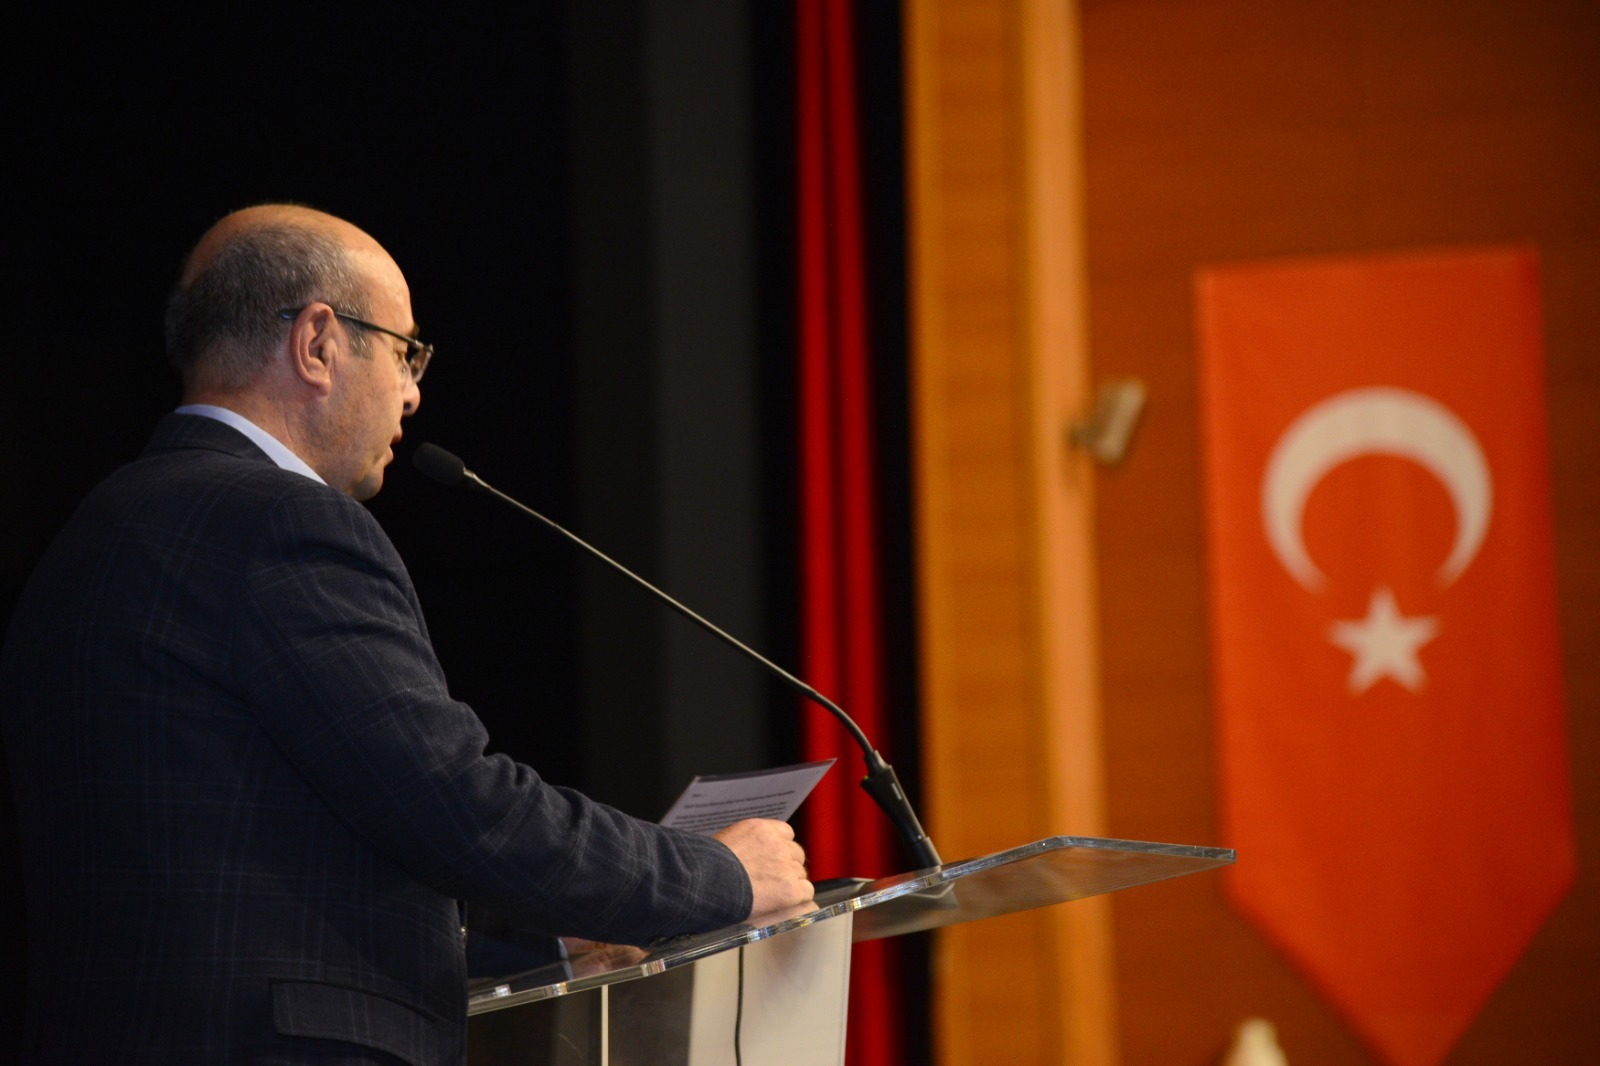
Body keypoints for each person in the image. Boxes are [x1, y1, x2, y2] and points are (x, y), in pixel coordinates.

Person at [0, 204, 812, 1064]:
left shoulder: (93, 535)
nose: (415, 393)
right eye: (404, 351)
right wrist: (720, 877)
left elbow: (260, 873)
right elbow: (460, 805)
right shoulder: (278, 522)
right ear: (318, 343)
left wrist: (549, 944)